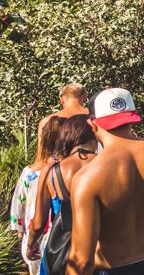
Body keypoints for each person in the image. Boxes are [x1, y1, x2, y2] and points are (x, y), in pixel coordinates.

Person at [66, 88, 144, 275]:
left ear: (92, 124)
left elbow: (81, 262)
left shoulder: (87, 178)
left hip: (114, 269)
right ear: (132, 118)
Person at [27, 115, 97, 275]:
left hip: (59, 250)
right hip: (96, 250)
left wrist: (31, 244)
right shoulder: (103, 165)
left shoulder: (51, 170)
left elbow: (38, 223)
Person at [9, 116, 66, 275]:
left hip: (34, 236)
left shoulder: (29, 173)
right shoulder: (71, 170)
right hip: (62, 237)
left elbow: (18, 204)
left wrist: (22, 232)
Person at [34, 84, 88, 167]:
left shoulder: (47, 121)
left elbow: (41, 157)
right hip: (87, 168)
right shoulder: (94, 117)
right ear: (84, 98)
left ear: (61, 99)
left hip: (56, 172)